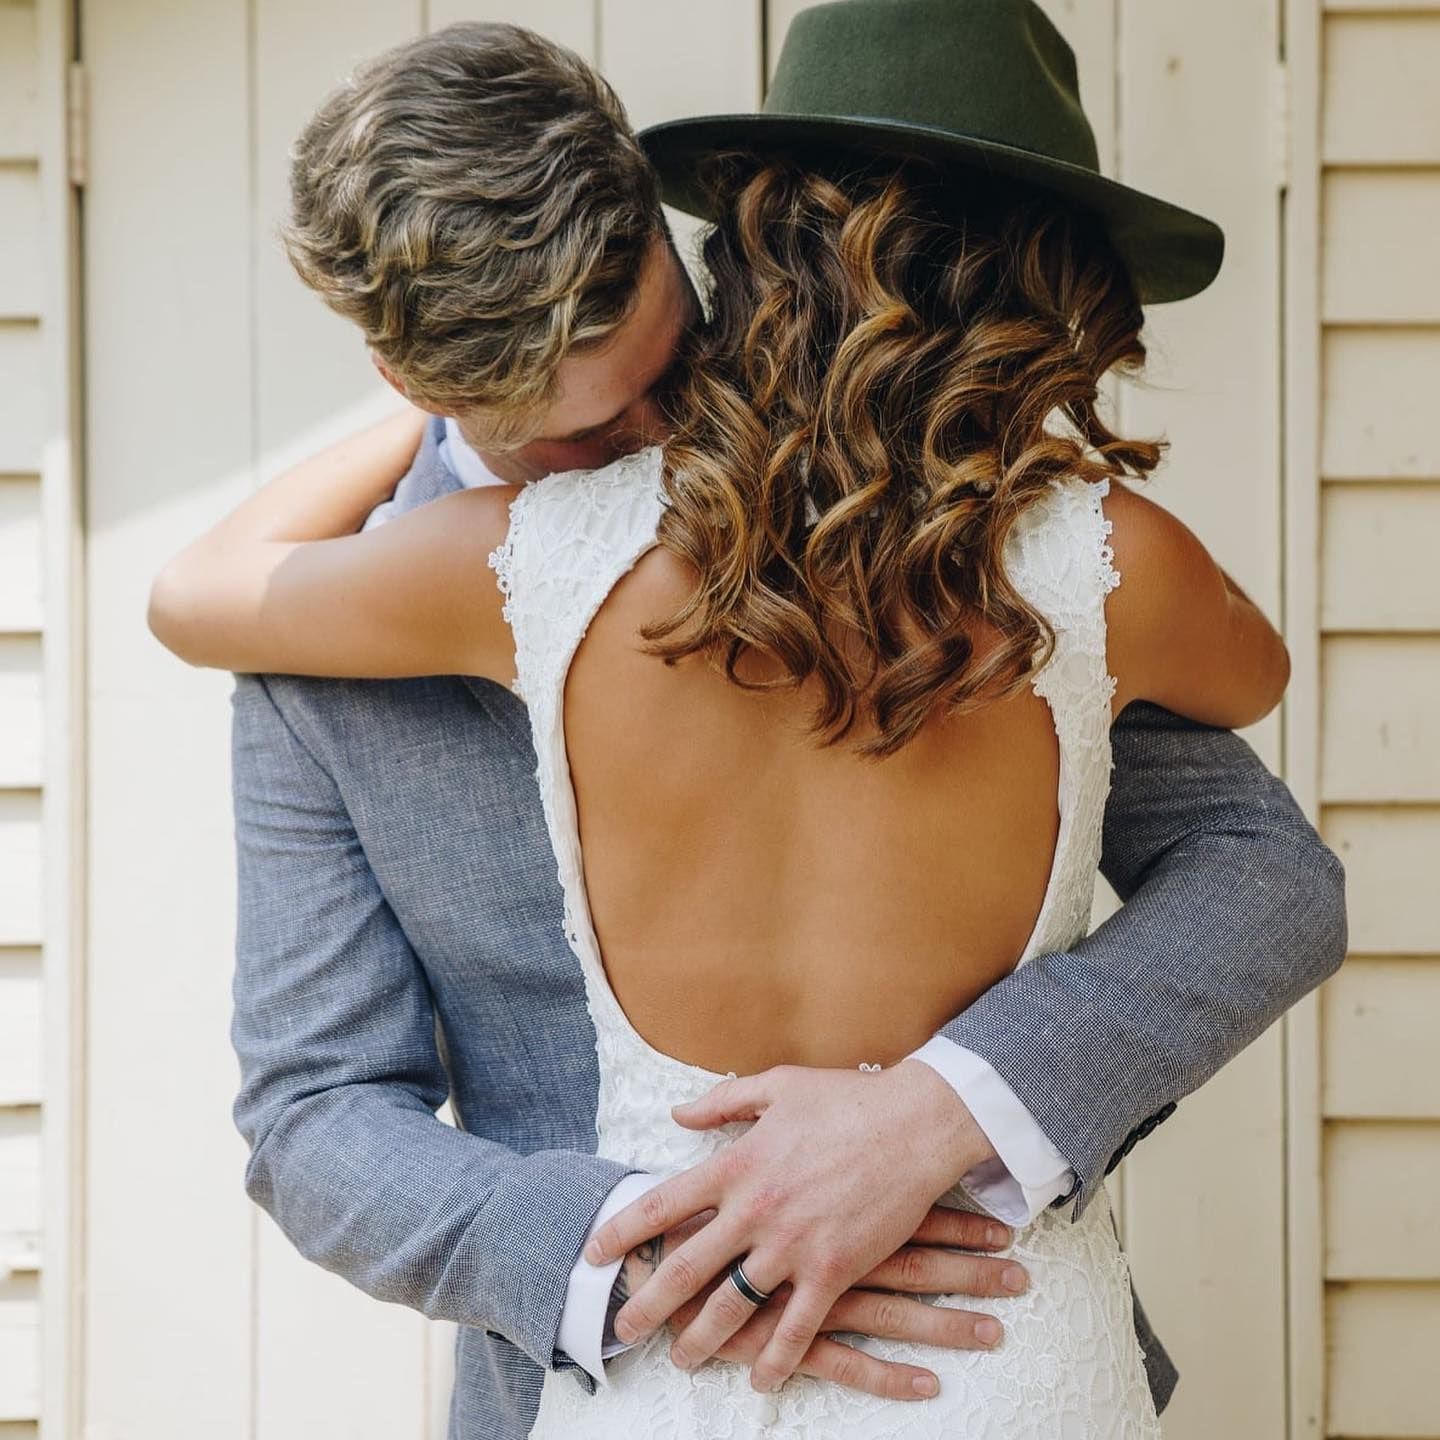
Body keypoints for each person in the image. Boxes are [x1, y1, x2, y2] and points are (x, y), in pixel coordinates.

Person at [150, 6, 1347, 1436]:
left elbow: (1261, 875)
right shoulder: (328, 645)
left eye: (675, 367)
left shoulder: (929, 522)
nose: (664, 445)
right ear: (423, 386)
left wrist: (949, 1112)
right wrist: (661, 1250)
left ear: (681, 240)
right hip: (606, 1376)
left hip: (987, 1329)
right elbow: (315, 1114)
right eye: (586, 435)